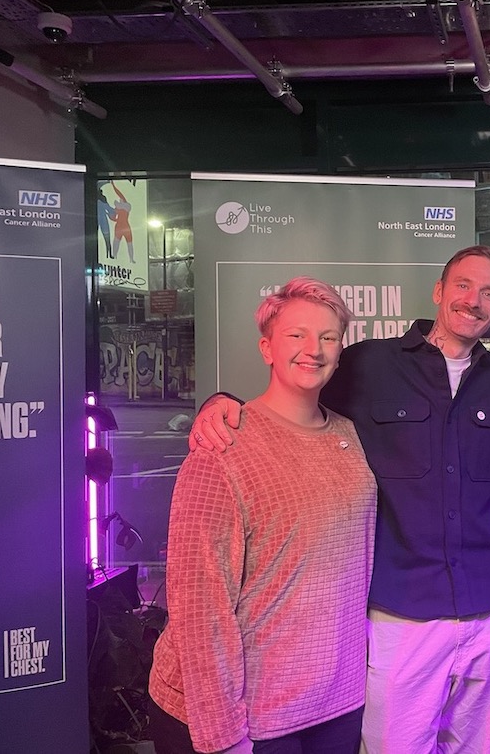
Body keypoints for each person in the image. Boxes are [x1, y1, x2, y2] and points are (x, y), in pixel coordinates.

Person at [191, 246, 490, 753]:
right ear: (439, 292)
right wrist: (223, 404)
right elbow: (294, 394)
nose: (474, 301)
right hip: (401, 616)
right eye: (463, 285)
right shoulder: (370, 364)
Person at [148, 277, 377, 754]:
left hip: (334, 703)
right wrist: (222, 734)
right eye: (296, 335)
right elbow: (198, 603)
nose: (313, 349)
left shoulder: (352, 437)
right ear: (267, 347)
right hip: (245, 716)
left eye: (328, 337)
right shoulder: (222, 446)